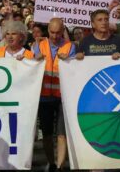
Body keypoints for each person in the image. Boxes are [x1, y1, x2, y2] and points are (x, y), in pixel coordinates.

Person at [34, 17, 75, 171]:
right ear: (48, 30)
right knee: (46, 133)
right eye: (52, 32)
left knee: (62, 134)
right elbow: (30, 63)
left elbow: (75, 67)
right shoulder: (39, 45)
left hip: (63, 97)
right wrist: (34, 58)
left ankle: (60, 165)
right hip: (44, 97)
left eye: (58, 32)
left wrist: (72, 58)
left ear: (63, 30)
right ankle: (51, 162)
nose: (55, 36)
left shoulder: (70, 46)